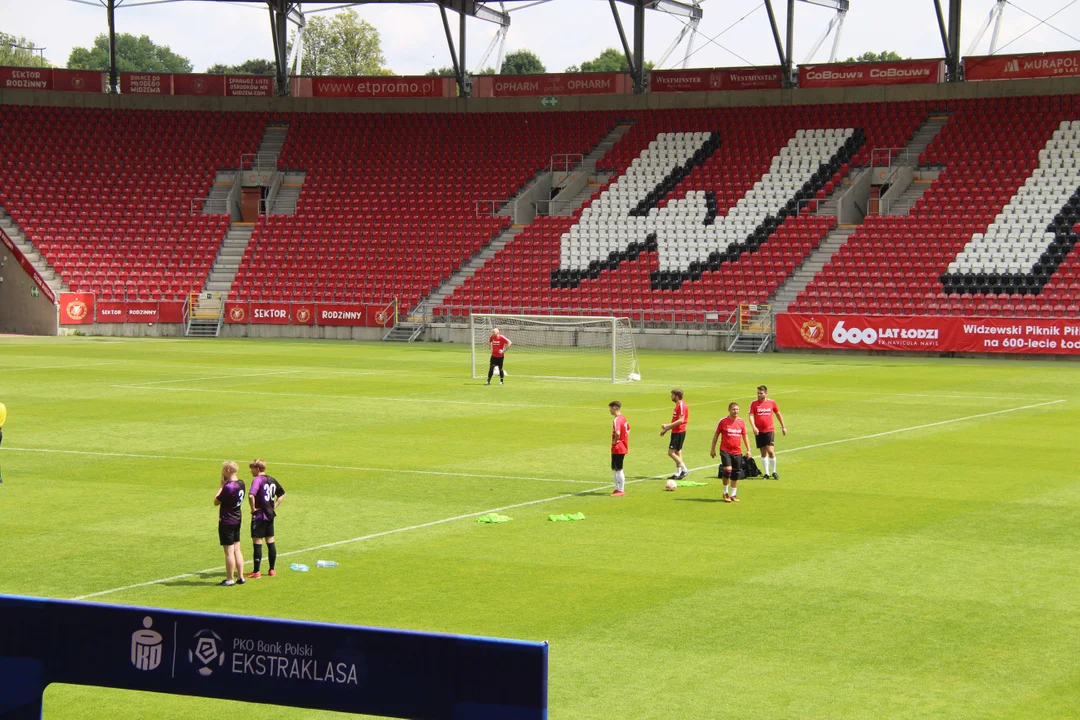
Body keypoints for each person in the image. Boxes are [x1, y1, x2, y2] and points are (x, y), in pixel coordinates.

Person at [246, 459, 286, 579]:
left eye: (252, 469)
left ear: (257, 469)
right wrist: (274, 506)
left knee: (257, 542)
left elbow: (251, 495)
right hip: (270, 515)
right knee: (270, 541)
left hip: (259, 515)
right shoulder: (272, 479)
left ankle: (256, 571)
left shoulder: (257, 480)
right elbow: (282, 494)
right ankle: (272, 569)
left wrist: (253, 508)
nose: (251, 471)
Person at [710, 402, 751, 503]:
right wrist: (712, 449)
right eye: (733, 409)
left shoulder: (741, 422)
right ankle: (725, 493)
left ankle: (733, 494)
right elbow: (716, 435)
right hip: (725, 450)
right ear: (729, 410)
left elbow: (745, 436)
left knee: (736, 473)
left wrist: (748, 449)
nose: (735, 411)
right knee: (728, 471)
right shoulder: (723, 421)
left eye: (737, 409)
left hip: (737, 451)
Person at [214, 461, 246, 586]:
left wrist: (221, 485)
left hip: (227, 520)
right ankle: (241, 577)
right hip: (237, 518)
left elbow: (216, 501)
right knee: (237, 549)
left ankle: (230, 579)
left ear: (227, 470)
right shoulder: (241, 483)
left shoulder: (229, 487)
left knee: (229, 551)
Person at [748, 385, 786, 480]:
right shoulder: (753, 403)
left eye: (761, 393)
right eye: (758, 393)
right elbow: (751, 416)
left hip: (769, 430)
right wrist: (754, 427)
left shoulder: (771, 403)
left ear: (766, 393)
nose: (759, 395)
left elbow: (778, 414)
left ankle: (774, 471)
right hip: (759, 431)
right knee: (763, 452)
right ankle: (766, 473)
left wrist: (783, 426)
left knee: (771, 451)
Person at [659, 388, 690, 480]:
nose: (671, 396)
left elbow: (681, 420)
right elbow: (675, 421)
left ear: (677, 396)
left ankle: (685, 470)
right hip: (677, 431)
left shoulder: (681, 405)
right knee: (677, 451)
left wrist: (667, 425)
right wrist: (666, 429)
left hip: (679, 432)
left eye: (672, 395)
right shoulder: (678, 405)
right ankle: (678, 473)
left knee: (671, 452)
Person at [609, 400, 630, 496]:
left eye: (610, 408)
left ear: (614, 408)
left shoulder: (617, 419)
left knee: (618, 469)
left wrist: (615, 441)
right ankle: (617, 488)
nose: (609, 410)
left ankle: (620, 490)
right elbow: (628, 429)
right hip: (621, 446)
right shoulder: (623, 418)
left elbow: (617, 432)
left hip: (618, 447)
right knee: (614, 468)